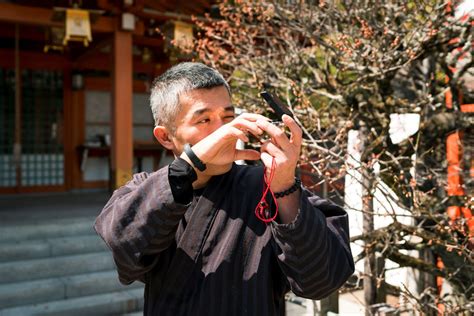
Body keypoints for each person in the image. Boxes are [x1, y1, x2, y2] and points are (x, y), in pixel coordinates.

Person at [94, 62, 354, 315]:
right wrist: (190, 166)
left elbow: (321, 281)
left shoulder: (267, 188)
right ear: (165, 136)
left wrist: (285, 185)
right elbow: (124, 247)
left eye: (229, 118)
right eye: (204, 119)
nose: (225, 131)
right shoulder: (145, 190)